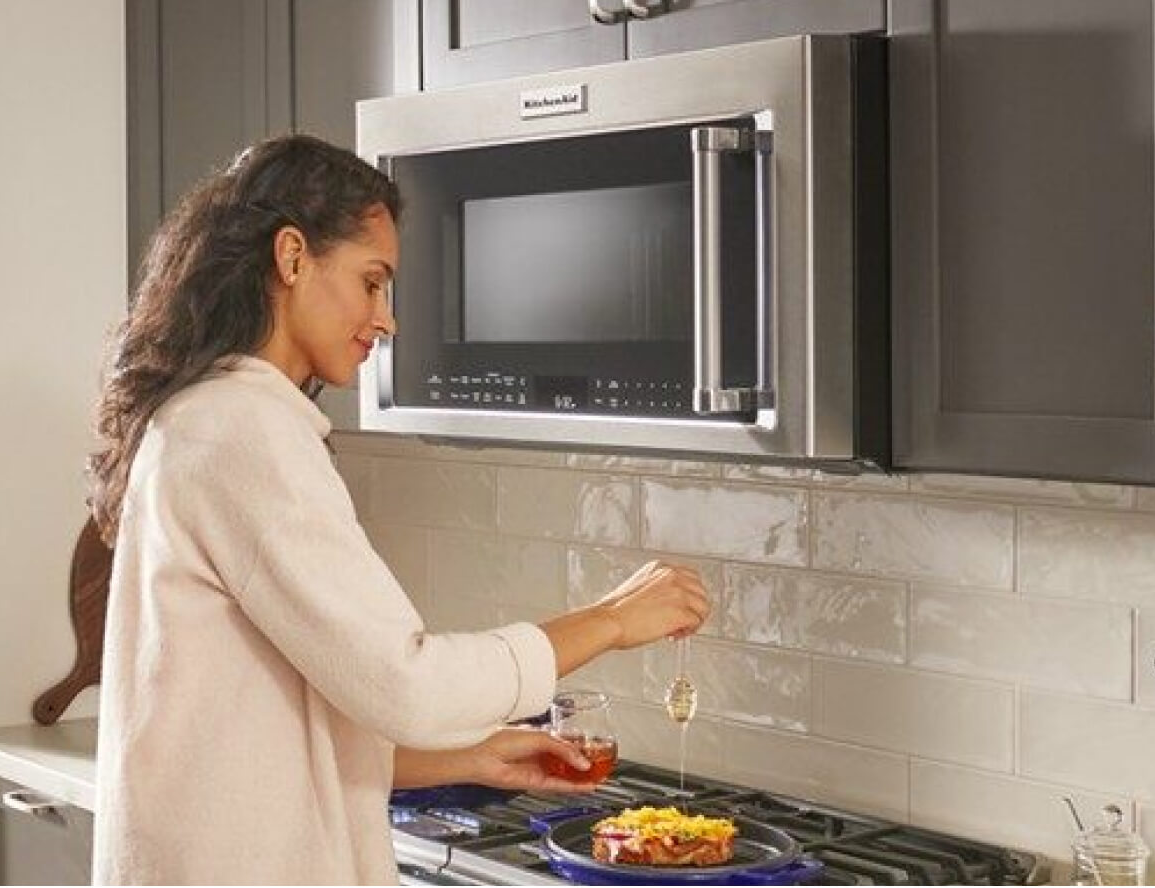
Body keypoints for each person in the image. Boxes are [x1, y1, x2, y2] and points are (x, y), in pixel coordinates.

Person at [86, 134, 713, 885]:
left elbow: (261, 723)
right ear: (292, 258)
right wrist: (611, 618)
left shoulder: (202, 416)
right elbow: (404, 684)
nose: (386, 322)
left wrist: (465, 758)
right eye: (371, 282)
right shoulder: (242, 432)